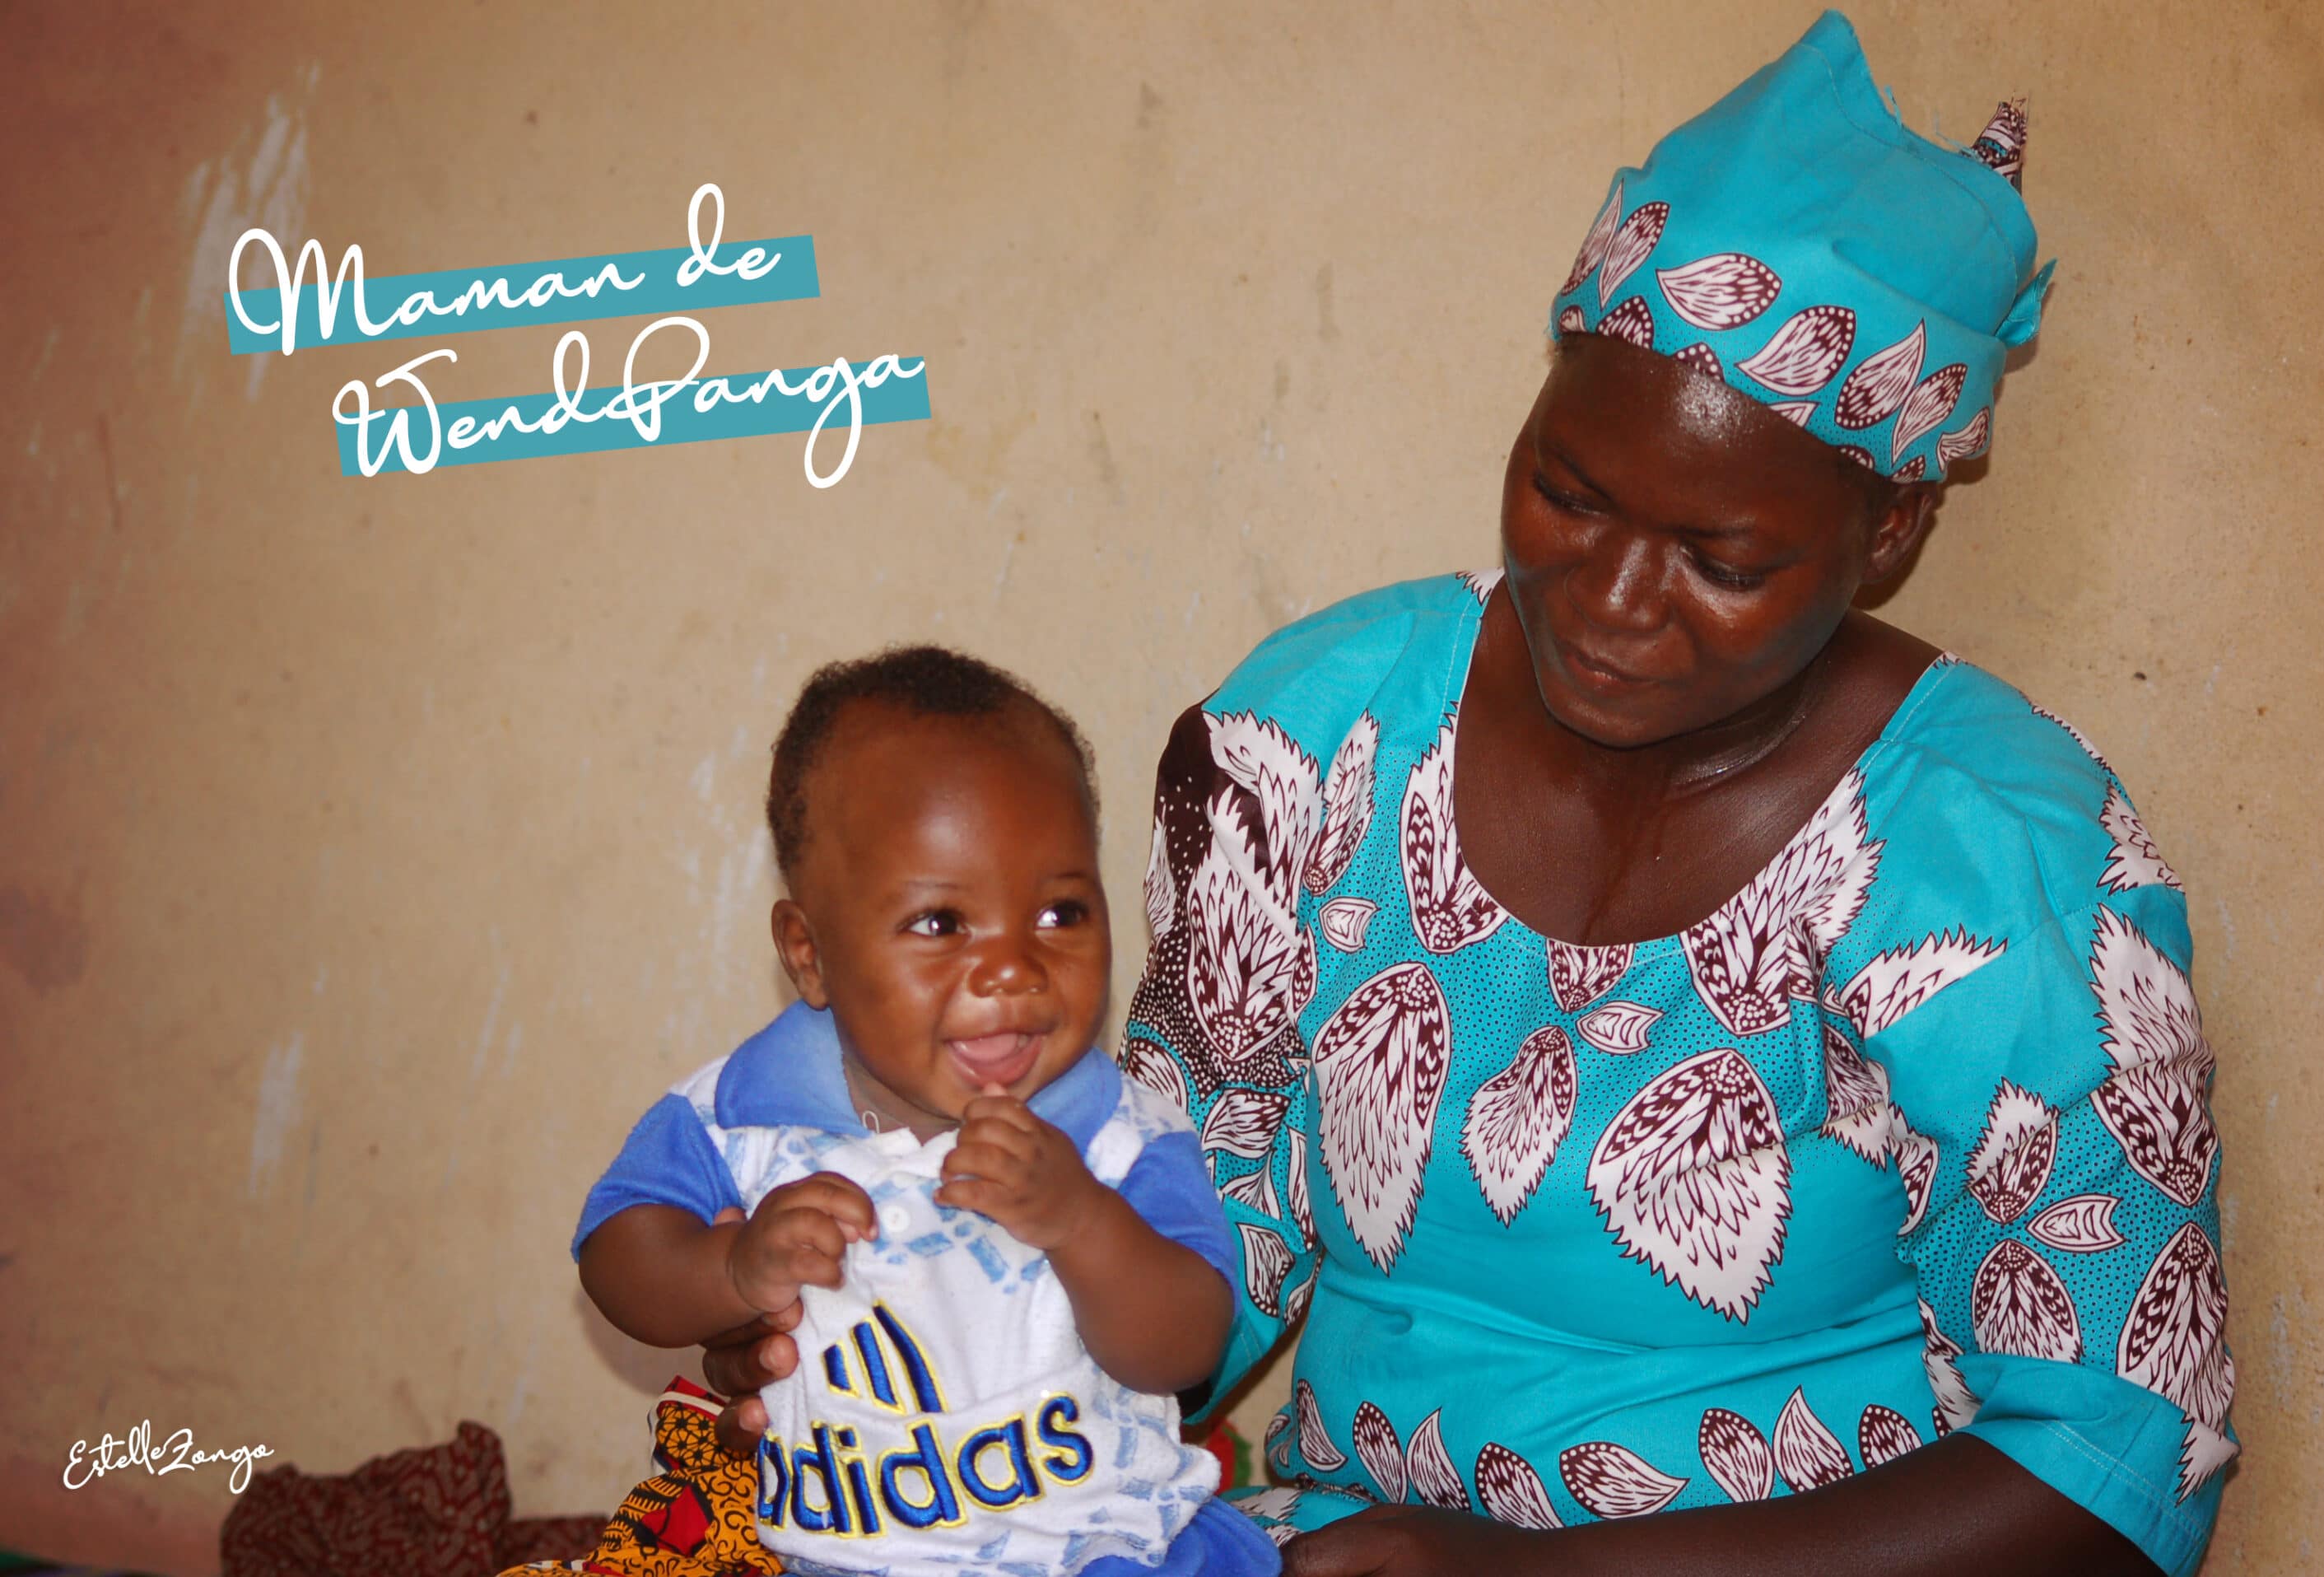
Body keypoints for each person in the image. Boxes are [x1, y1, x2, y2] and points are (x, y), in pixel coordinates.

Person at [702, 12, 2233, 1576]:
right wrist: (917, 1358)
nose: (1613, 602)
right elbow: (1186, 1250)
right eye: (1568, 494)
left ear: (1893, 530)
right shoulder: (1314, 739)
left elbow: (2122, 1462)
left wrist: (1518, 1574)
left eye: (1724, 562)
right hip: (1342, 1546)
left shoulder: (1994, 852)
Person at [558, 647, 1281, 1577]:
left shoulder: (1115, 1135)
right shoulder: (744, 1117)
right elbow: (616, 1257)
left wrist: (1082, 1223)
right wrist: (730, 1267)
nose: (1014, 968)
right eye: (941, 923)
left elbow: (1183, 1347)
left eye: (1060, 912)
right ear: (809, 954)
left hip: (1099, 1553)